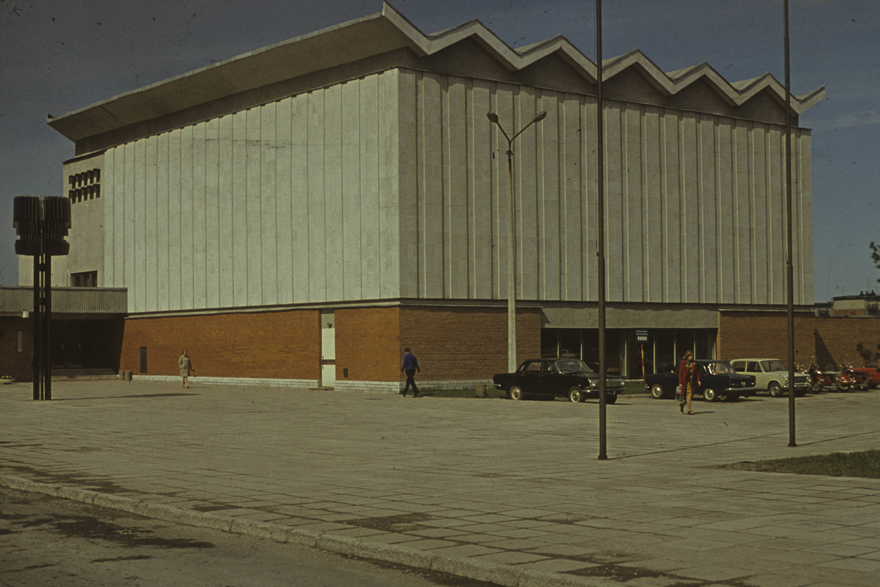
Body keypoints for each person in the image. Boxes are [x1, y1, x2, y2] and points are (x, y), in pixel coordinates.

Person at [677, 350, 699, 415]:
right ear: (687, 356)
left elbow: (696, 372)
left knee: (691, 396)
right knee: (689, 394)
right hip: (686, 381)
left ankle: (683, 404)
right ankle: (689, 410)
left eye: (691, 356)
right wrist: (680, 382)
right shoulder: (683, 363)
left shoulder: (694, 363)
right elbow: (680, 372)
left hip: (692, 381)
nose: (691, 357)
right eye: (689, 356)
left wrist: (698, 380)